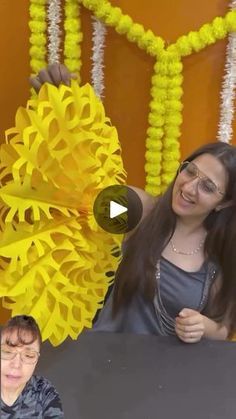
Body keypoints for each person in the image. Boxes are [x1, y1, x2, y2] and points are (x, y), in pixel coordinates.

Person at [31, 65, 236, 344]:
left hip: (164, 378)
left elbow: (224, 327)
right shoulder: (140, 211)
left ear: (224, 203)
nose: (189, 187)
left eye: (208, 186)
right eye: (189, 171)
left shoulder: (219, 254)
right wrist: (64, 118)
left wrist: (203, 327)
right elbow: (85, 199)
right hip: (99, 360)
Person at [1, 315, 64, 418]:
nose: (16, 364)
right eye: (7, 352)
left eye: (29, 356)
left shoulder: (44, 392)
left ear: (36, 360)